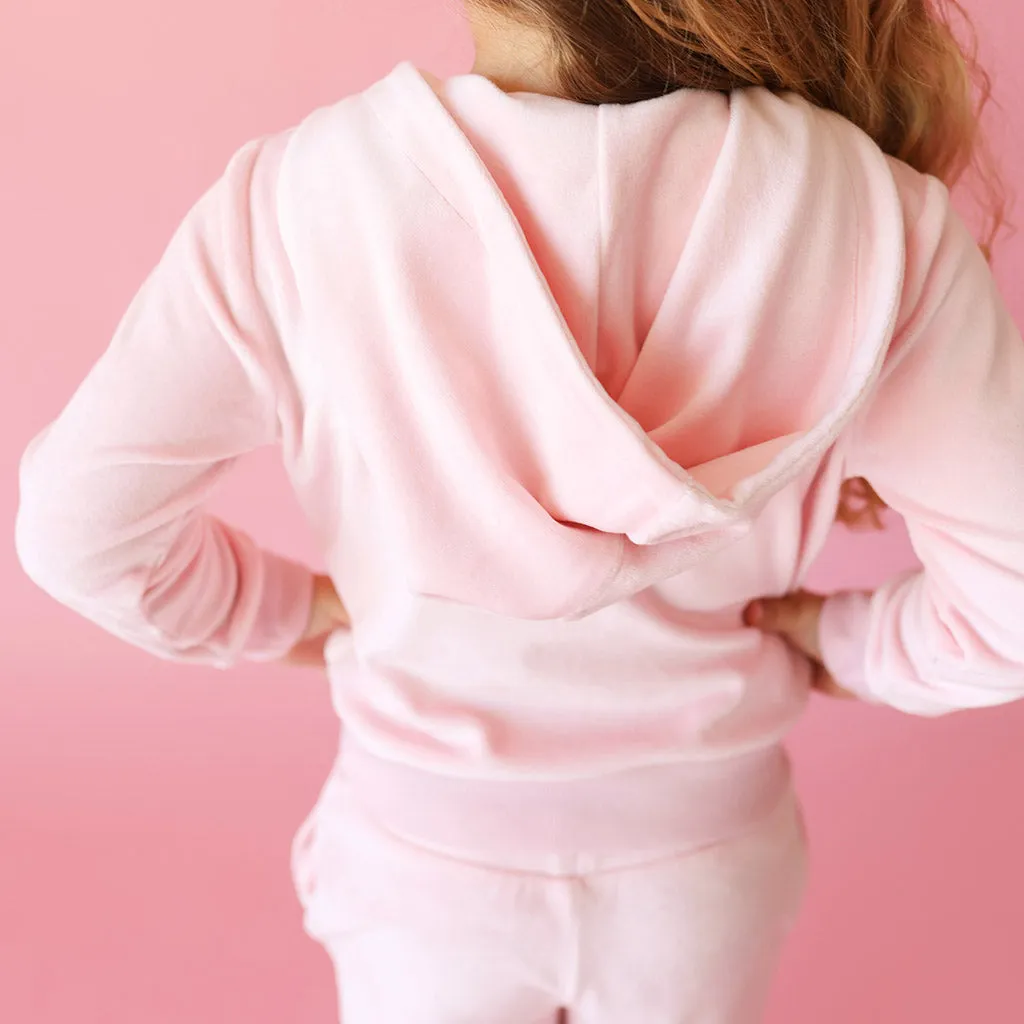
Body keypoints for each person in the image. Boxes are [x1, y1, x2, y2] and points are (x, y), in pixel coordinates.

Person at [14, 1, 1024, 1020]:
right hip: (703, 875)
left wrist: (283, 608)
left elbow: (78, 528)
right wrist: (849, 642)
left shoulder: (302, 200)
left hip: (421, 869)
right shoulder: (873, 220)